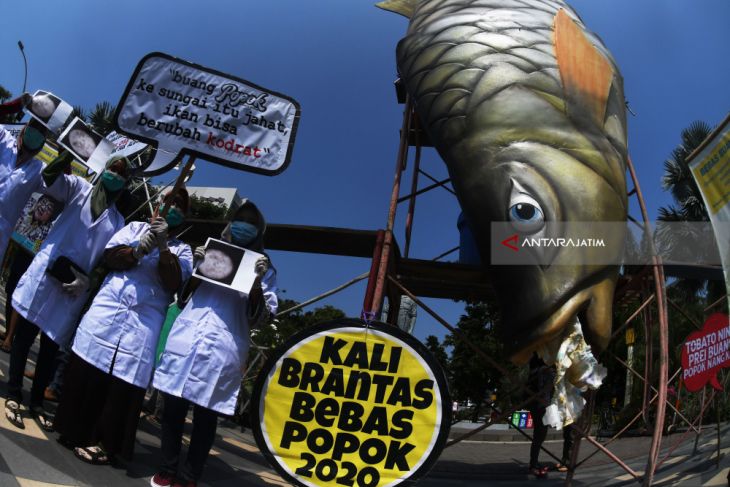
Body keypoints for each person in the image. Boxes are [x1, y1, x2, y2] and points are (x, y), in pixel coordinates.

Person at [54, 189, 193, 464]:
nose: (171, 208)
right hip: (109, 311)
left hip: (143, 321)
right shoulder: (133, 228)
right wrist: (138, 248)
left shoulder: (182, 250)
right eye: (168, 202)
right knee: (87, 371)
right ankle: (72, 429)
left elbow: (174, 282)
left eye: (179, 206)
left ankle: (106, 444)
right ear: (156, 205)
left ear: (184, 215)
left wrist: (163, 246)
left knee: (122, 386)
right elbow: (111, 258)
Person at [150, 200, 277, 487]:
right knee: (173, 409)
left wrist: (256, 283)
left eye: (251, 224)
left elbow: (262, 317)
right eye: (239, 220)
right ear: (230, 223)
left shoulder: (265, 269)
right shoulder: (213, 252)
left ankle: (189, 476)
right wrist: (197, 268)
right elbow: (182, 297)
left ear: (259, 231)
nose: (244, 227)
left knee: (206, 418)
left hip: (224, 346)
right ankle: (167, 468)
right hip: (189, 338)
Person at [5, 151, 131, 430]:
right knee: (25, 335)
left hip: (74, 287)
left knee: (50, 346)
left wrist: (89, 281)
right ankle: (14, 392)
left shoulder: (118, 221)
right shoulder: (79, 189)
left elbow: (107, 258)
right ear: (105, 169)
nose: (115, 177)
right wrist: (66, 155)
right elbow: (49, 178)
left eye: (122, 174)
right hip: (47, 271)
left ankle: (36, 401)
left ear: (125, 182)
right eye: (114, 169)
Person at [0, 93, 49, 262]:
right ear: (26, 127)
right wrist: (12, 107)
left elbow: (63, 184)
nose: (36, 133)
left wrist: (67, 154)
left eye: (42, 133)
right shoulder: (4, 140)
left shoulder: (39, 170)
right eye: (34, 127)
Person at [527, 354, 575, 478]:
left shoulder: (559, 363)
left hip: (559, 398)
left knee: (569, 429)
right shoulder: (540, 362)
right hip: (541, 400)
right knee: (540, 432)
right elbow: (536, 379)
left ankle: (566, 460)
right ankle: (533, 464)